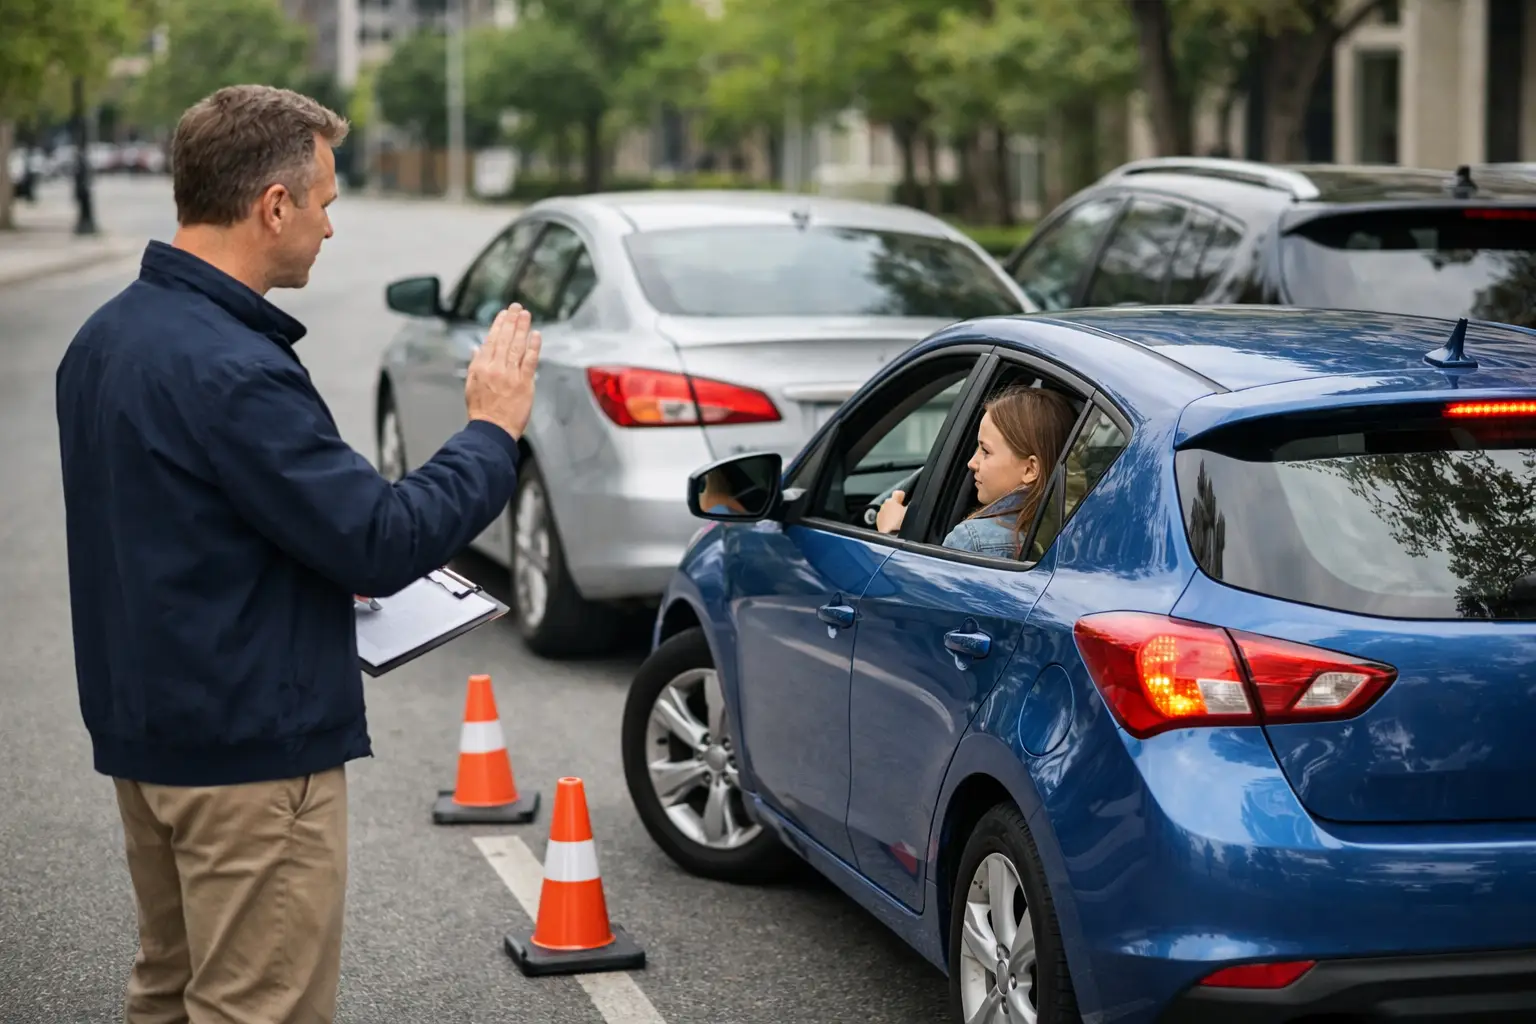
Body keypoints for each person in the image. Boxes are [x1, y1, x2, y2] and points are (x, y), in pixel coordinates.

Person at [54, 85, 541, 1024]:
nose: (329, 227)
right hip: (245, 757)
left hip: (147, 736)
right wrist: (491, 431)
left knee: (169, 989)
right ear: (272, 205)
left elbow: (179, 531)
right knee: (256, 1009)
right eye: (323, 201)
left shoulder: (106, 338)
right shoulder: (235, 368)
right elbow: (379, 539)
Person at [876, 385, 1076, 558]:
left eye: (986, 451)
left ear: (1031, 469)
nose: (972, 463)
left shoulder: (972, 540)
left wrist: (890, 534)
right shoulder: (1076, 533)